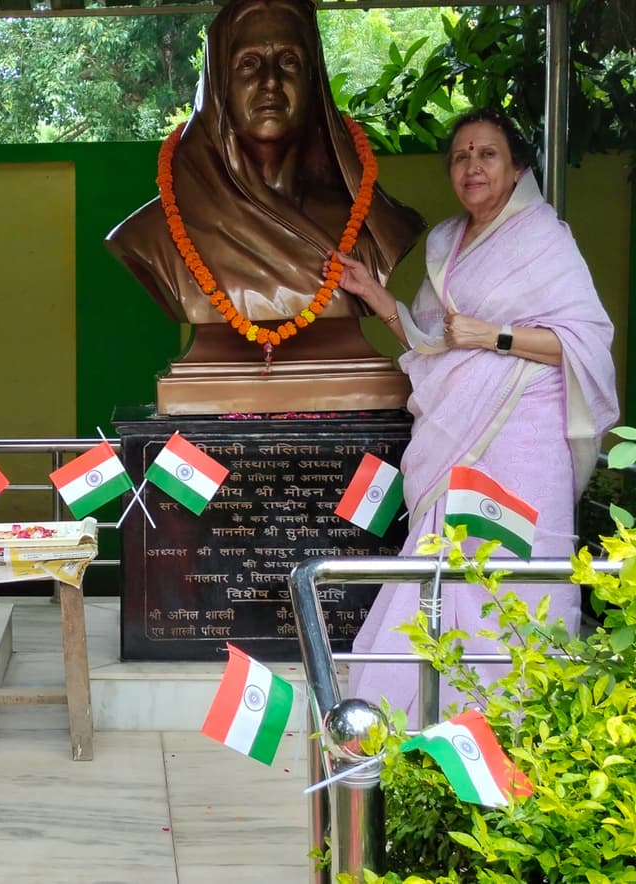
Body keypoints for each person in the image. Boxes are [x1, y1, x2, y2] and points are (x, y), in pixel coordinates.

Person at [336, 108, 619, 722]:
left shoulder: (546, 240)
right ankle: (417, 720)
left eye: (487, 154)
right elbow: (430, 343)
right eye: (461, 156)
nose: (472, 167)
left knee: (513, 573)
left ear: (518, 169)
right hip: (453, 435)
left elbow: (587, 341)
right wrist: (374, 295)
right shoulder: (445, 243)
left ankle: (518, 723)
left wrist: (495, 336)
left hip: (525, 439)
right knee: (441, 566)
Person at [105, 0, 425, 364]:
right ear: (219, 85)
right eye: (248, 63)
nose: (270, 81)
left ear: (313, 82)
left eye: (289, 61)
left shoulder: (376, 227)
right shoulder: (153, 236)